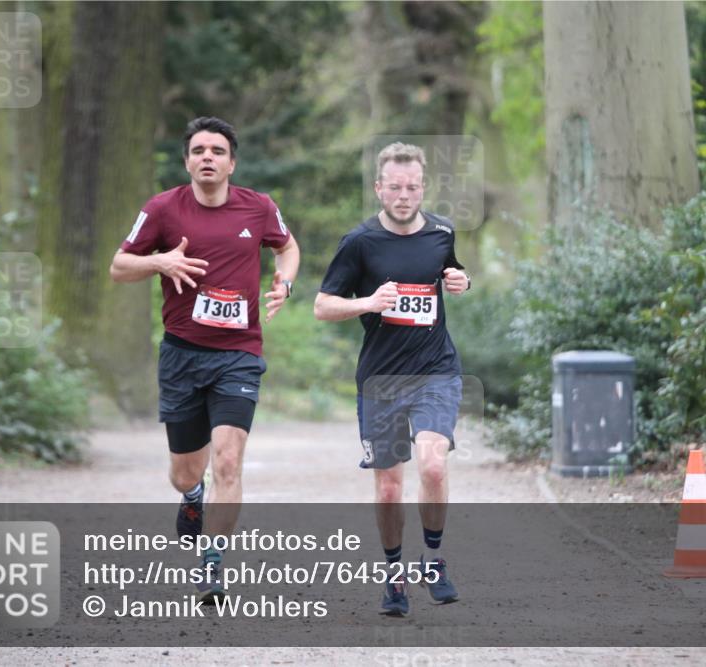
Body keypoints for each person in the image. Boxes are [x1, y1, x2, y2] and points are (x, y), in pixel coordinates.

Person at [110, 116, 299, 599]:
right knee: (184, 472)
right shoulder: (162, 210)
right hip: (182, 355)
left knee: (229, 460)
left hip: (238, 353)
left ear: (232, 162)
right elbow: (119, 267)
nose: (207, 157)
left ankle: (212, 562)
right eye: (198, 150)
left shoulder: (258, 208)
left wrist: (285, 282)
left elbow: (287, 246)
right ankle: (193, 497)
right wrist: (159, 261)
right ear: (188, 161)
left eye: (217, 150)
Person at [314, 142, 470, 616]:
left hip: (434, 371)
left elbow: (453, 273)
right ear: (379, 188)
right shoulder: (359, 242)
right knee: (387, 488)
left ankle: (434, 559)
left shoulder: (442, 232)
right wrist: (367, 303)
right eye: (395, 187)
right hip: (380, 379)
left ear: (423, 188)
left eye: (413, 187)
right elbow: (323, 306)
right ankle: (394, 575)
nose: (404, 195)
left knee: (434, 465)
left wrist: (463, 281)